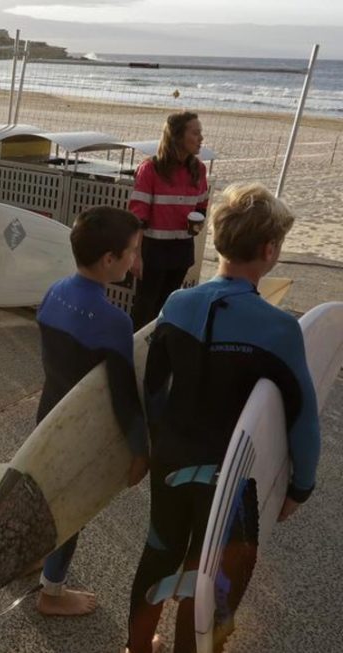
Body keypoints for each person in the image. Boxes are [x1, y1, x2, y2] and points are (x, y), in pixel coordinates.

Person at [124, 183, 320, 653]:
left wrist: (152, 444)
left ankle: (136, 646)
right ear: (270, 251)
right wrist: (300, 486)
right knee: (215, 570)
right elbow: (303, 416)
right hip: (232, 476)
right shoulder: (280, 328)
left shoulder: (177, 304)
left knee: (161, 550)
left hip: (172, 459)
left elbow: (154, 387)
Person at [33, 207, 149, 617]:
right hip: (81, 435)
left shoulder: (52, 292)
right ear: (109, 261)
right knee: (71, 509)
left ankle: (35, 562)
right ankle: (52, 591)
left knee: (45, 494)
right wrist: (140, 451)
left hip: (46, 417)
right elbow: (123, 397)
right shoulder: (114, 321)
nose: (136, 261)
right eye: (132, 252)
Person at [129, 111, 209, 330]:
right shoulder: (150, 169)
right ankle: (132, 354)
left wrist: (198, 222)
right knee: (145, 305)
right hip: (153, 249)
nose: (201, 138)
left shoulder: (199, 170)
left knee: (168, 306)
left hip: (182, 248)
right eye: (195, 132)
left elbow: (202, 205)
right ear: (177, 136)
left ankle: (155, 351)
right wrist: (135, 255)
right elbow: (138, 216)